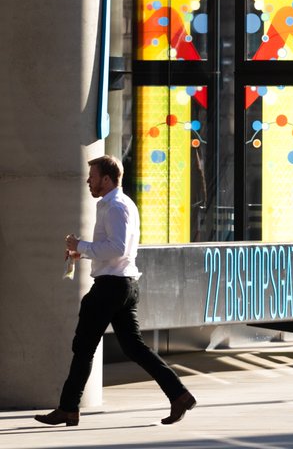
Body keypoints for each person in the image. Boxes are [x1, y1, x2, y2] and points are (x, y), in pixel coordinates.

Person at [34, 154, 196, 428]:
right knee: (135, 348)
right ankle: (179, 395)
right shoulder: (119, 204)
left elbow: (118, 248)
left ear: (106, 180)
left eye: (93, 177)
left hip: (112, 286)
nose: (89, 181)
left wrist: (81, 244)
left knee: (83, 348)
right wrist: (80, 253)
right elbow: (114, 250)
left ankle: (68, 408)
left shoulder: (115, 207)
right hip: (122, 283)